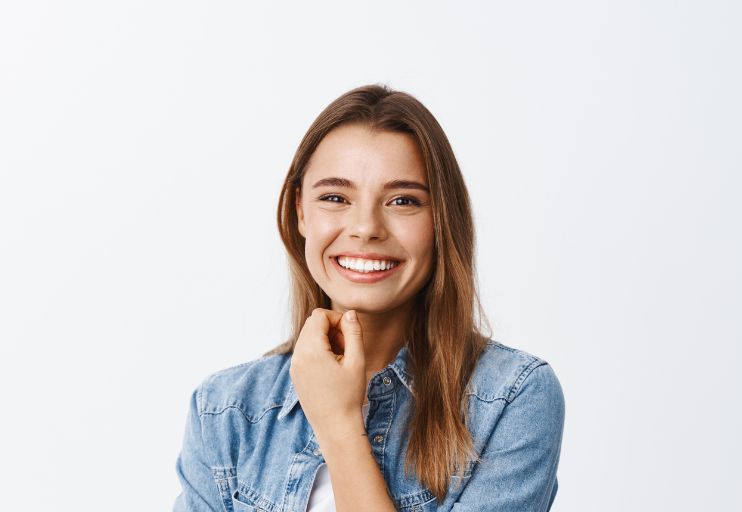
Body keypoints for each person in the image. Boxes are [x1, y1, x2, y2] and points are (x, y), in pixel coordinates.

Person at [173, 84, 565, 512]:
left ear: (441, 220)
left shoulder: (510, 398)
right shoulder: (225, 411)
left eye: (402, 200)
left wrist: (339, 426)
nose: (366, 227)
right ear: (300, 209)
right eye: (335, 197)